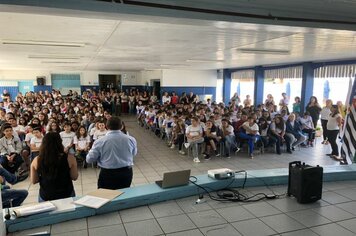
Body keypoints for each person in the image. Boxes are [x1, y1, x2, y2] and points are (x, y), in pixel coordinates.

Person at [86, 116, 137, 189]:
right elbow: (134, 153)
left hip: (107, 173)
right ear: (121, 126)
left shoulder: (99, 142)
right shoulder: (131, 139)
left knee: (106, 196)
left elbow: (89, 159)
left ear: (106, 126)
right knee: (124, 194)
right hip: (126, 172)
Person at [30, 132, 78, 201]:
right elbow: (74, 177)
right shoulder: (69, 158)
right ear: (60, 142)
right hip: (66, 194)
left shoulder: (37, 160)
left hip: (46, 195)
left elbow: (34, 180)